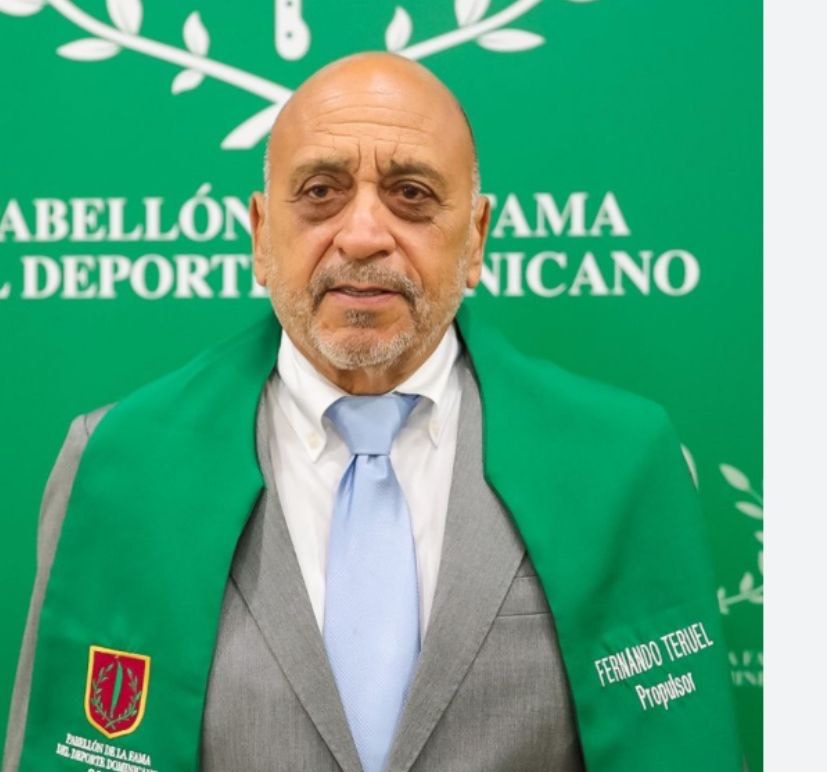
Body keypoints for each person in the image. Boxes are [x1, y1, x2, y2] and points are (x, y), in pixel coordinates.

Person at [3, 53, 743, 772]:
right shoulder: (120, 465)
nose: (362, 236)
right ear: (260, 234)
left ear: (476, 237)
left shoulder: (619, 466)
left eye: (411, 194)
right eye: (320, 191)